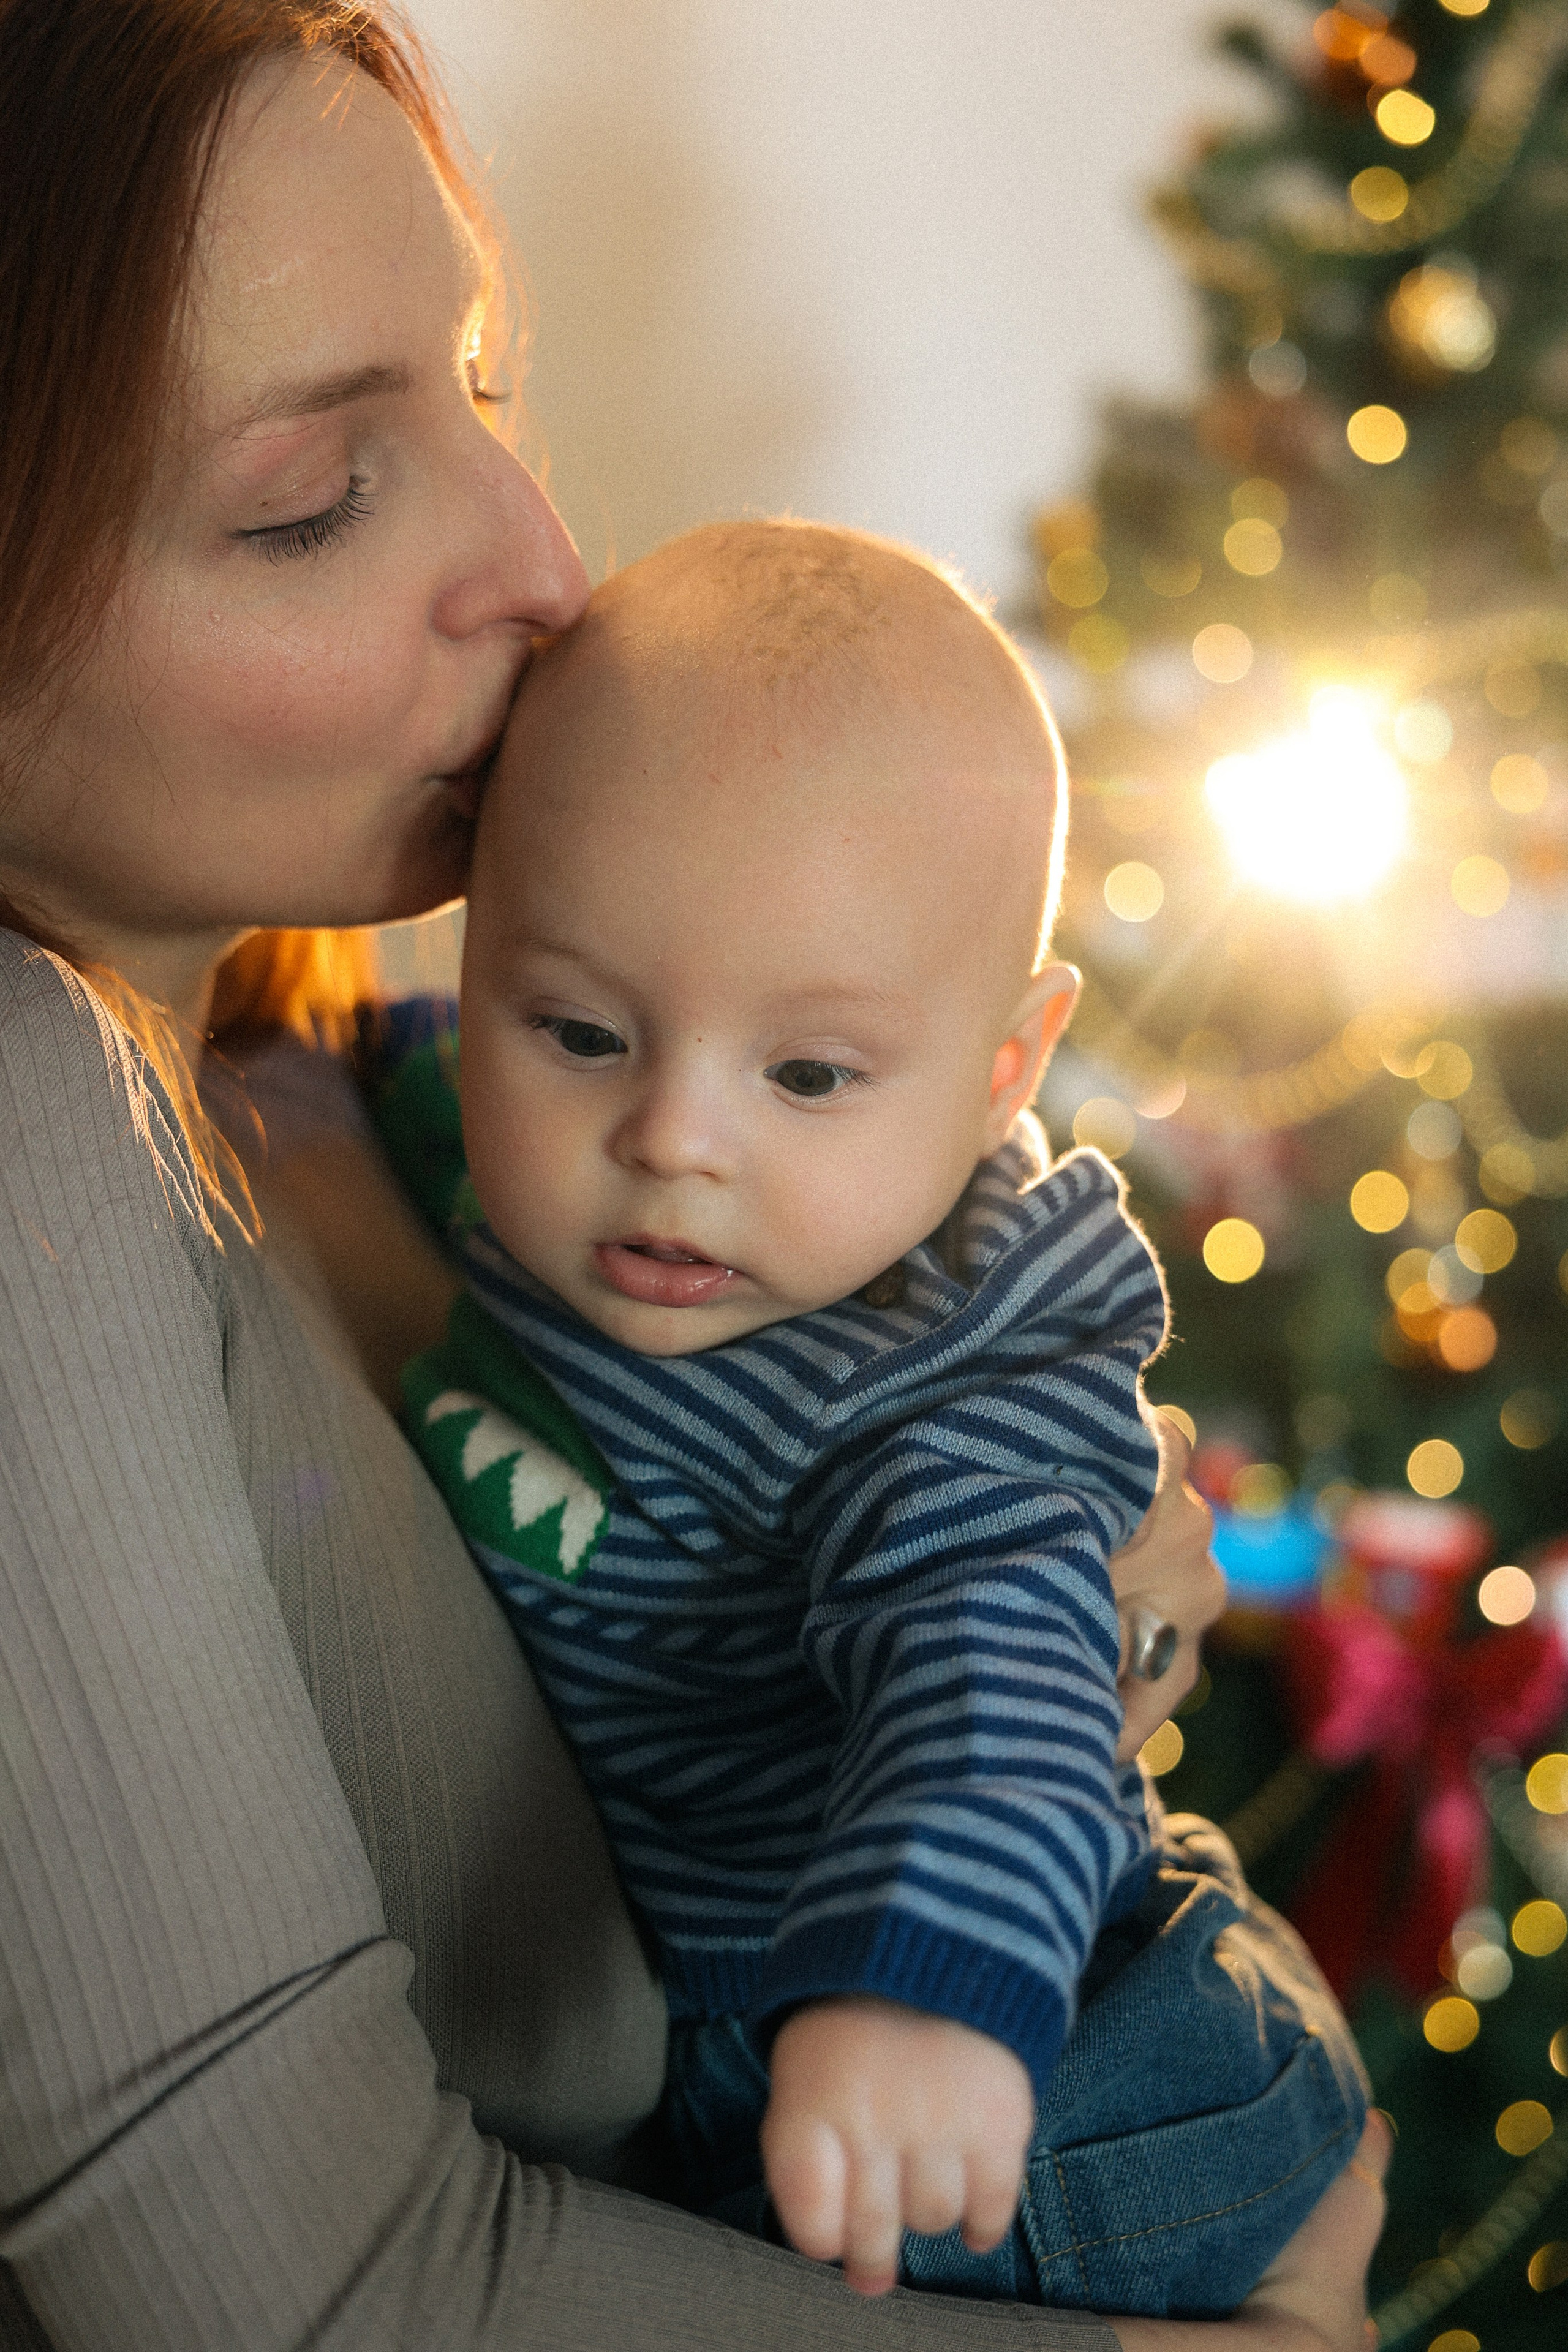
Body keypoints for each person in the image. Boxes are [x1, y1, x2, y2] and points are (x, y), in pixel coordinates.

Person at [0, 2, 1387, 2346]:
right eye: (313, 496)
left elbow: (895, 1555)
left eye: (485, 386)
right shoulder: (38, 1120)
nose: (544, 564)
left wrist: (1095, 1609)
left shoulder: (350, 1084)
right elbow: (308, 2292)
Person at [371, 519, 1367, 2316]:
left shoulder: (929, 1384)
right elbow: (432, 1081)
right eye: (583, 1029)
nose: (675, 1137)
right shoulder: (515, 1156)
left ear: (1006, 1070)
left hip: (1046, 2053)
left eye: (811, 1074)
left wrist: (925, 1988)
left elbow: (991, 1673)